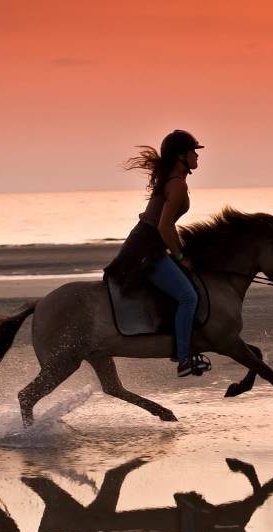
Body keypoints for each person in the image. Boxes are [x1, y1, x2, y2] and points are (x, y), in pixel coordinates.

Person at [104, 129, 212, 377]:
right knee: (188, 297)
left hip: (146, 245)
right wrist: (180, 258)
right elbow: (163, 226)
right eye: (193, 151)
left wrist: (179, 250)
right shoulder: (177, 185)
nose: (197, 156)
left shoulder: (172, 181)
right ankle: (184, 359)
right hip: (146, 250)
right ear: (180, 157)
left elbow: (168, 226)